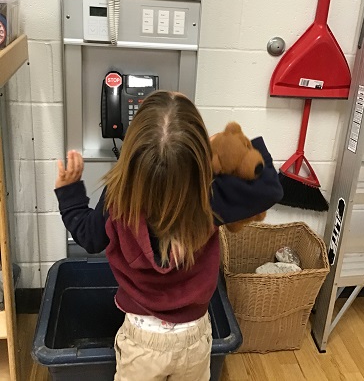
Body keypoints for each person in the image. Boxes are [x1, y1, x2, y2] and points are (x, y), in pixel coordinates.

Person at [55, 90, 283, 381]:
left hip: (142, 340)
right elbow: (270, 188)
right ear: (202, 156)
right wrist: (236, 147)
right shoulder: (210, 197)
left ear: (132, 150)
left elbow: (89, 236)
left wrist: (69, 193)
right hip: (194, 335)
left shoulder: (118, 199)